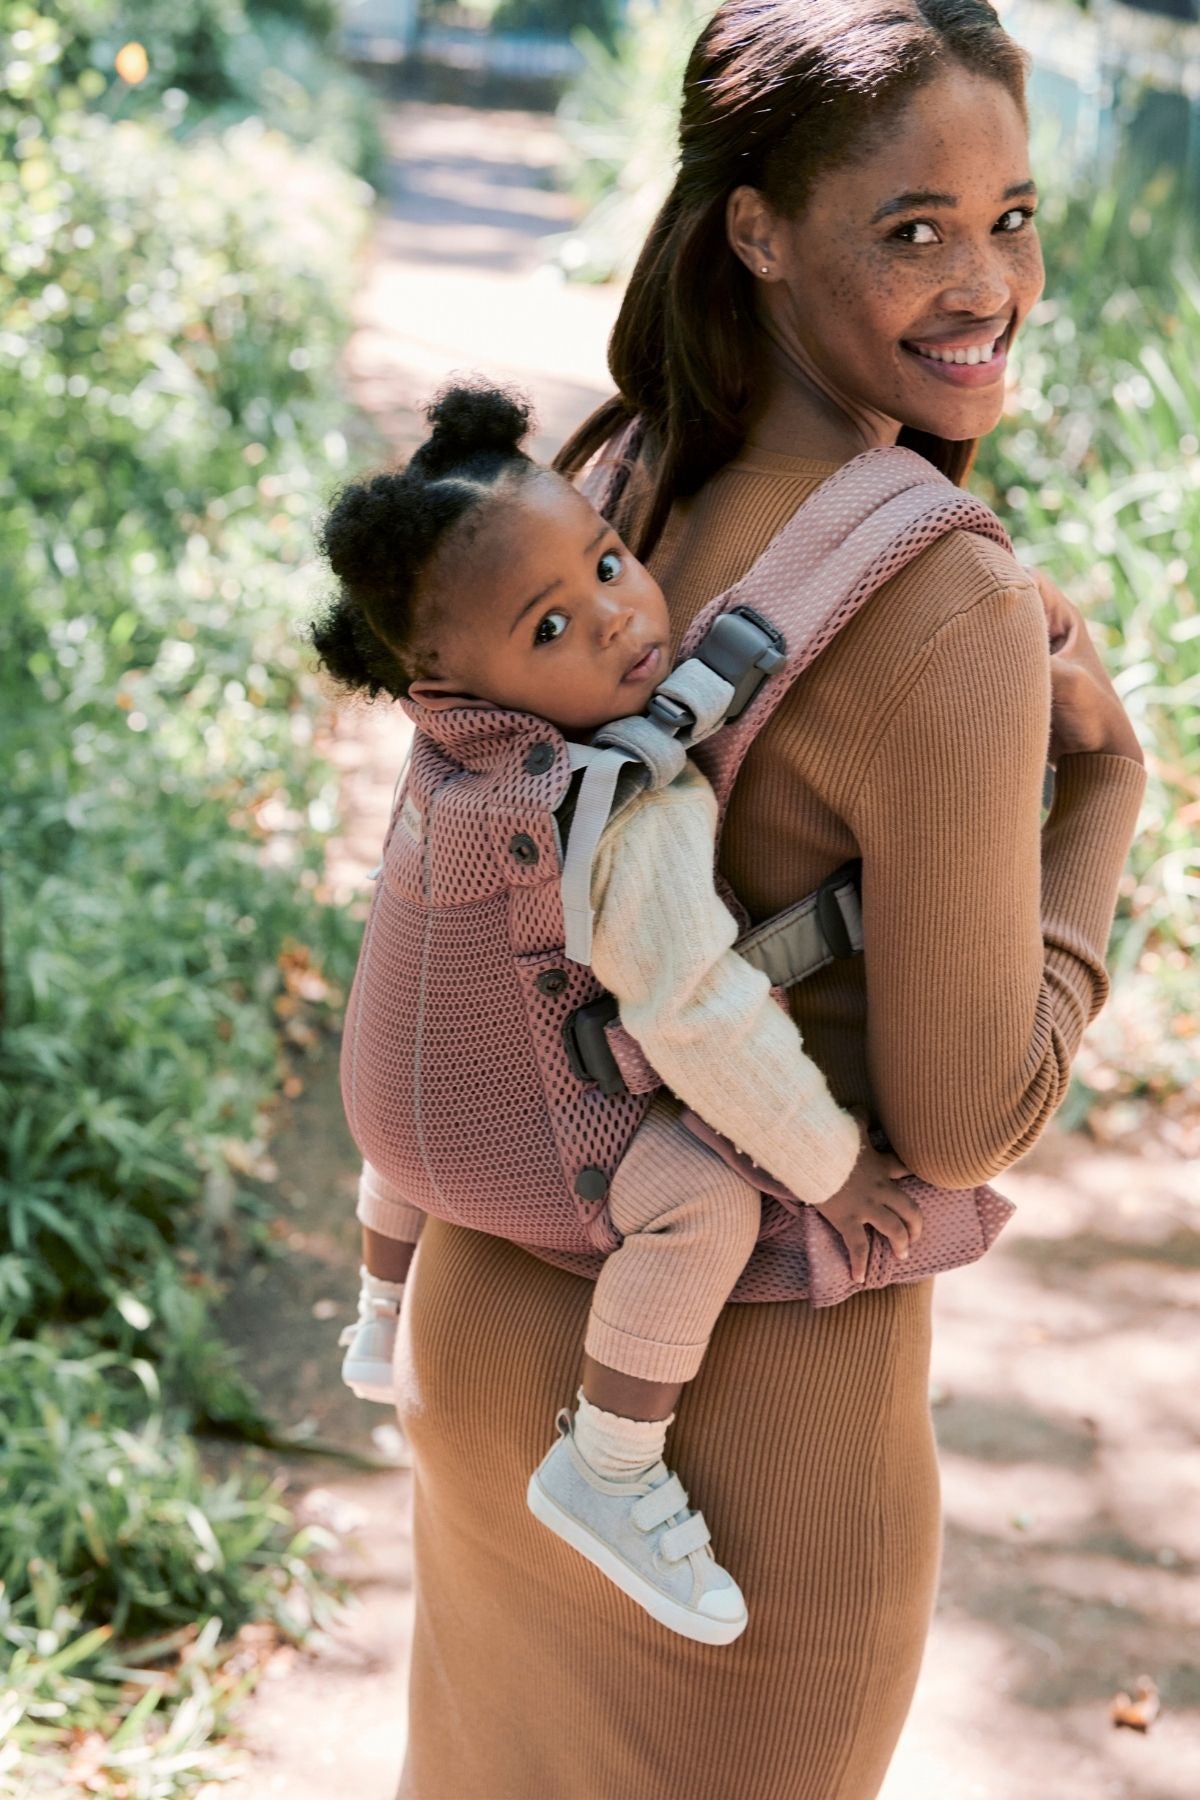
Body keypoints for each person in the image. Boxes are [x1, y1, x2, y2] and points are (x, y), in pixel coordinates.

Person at [364, 3, 1149, 1793]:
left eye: (1014, 217)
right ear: (760, 229)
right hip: (727, 1451)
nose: (988, 284)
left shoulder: (605, 486)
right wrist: (1107, 784)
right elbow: (966, 1118)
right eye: (915, 228)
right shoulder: (944, 601)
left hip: (485, 1339)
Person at [315, 379, 925, 1647]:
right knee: (707, 1203)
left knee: (446, 1011)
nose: (615, 618)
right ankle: (608, 1463)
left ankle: (377, 1314)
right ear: (442, 670)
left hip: (383, 1127)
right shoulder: (624, 812)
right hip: (505, 1149)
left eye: (605, 562)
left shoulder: (445, 752)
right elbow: (701, 1019)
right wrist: (833, 1168)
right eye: (549, 628)